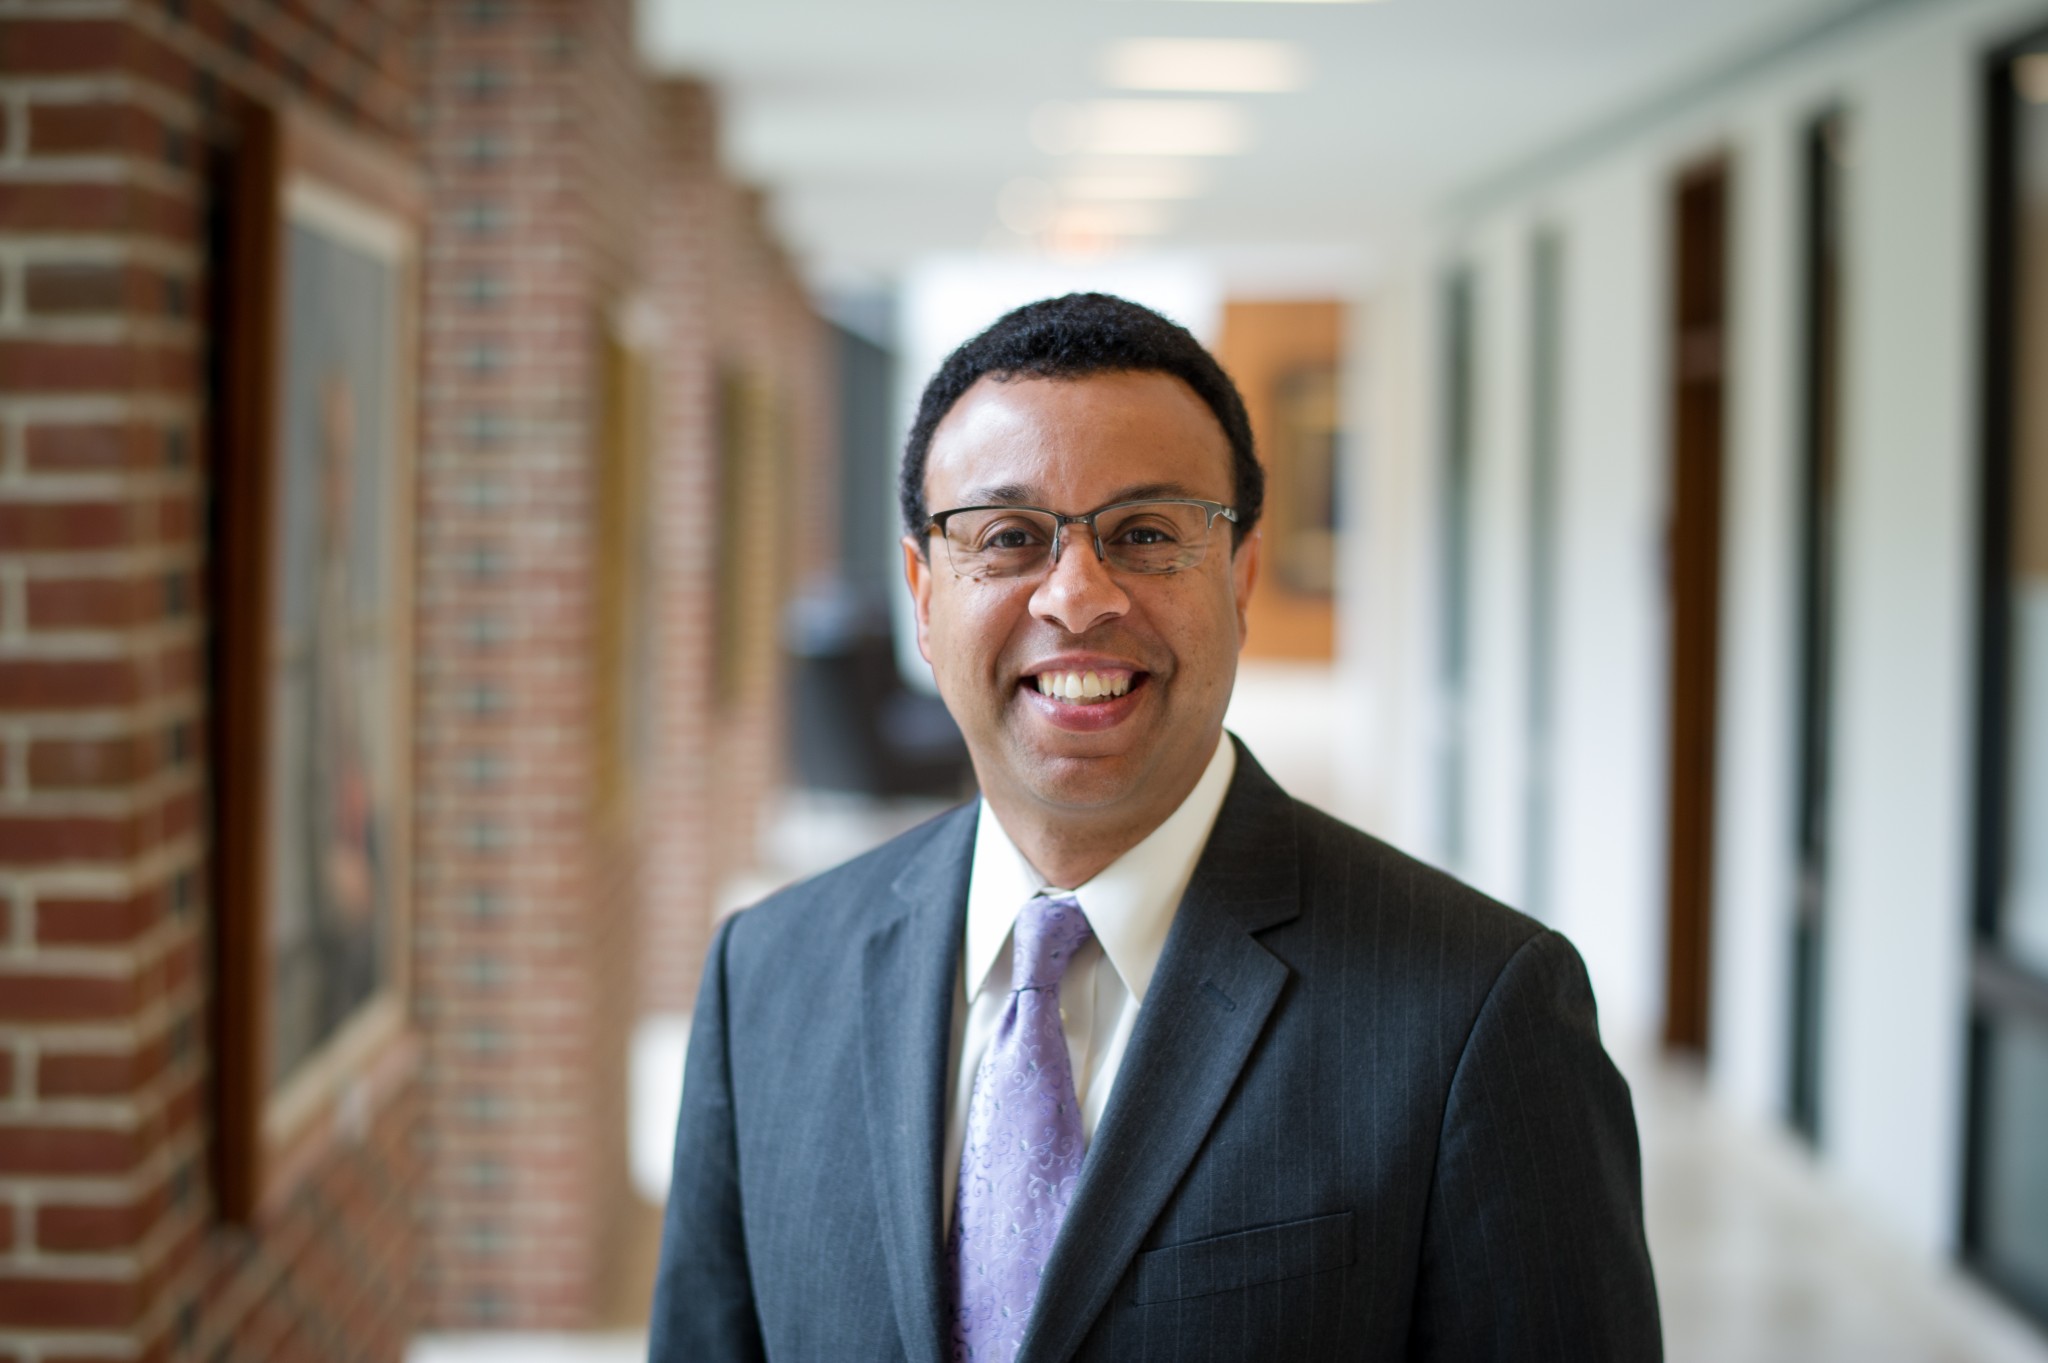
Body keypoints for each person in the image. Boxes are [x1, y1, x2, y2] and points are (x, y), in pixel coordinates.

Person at [649, 293, 1661, 1363]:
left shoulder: (1475, 1012)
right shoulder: (764, 977)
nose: (1077, 597)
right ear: (922, 592)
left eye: (1143, 533)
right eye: (1006, 537)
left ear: (1241, 578)